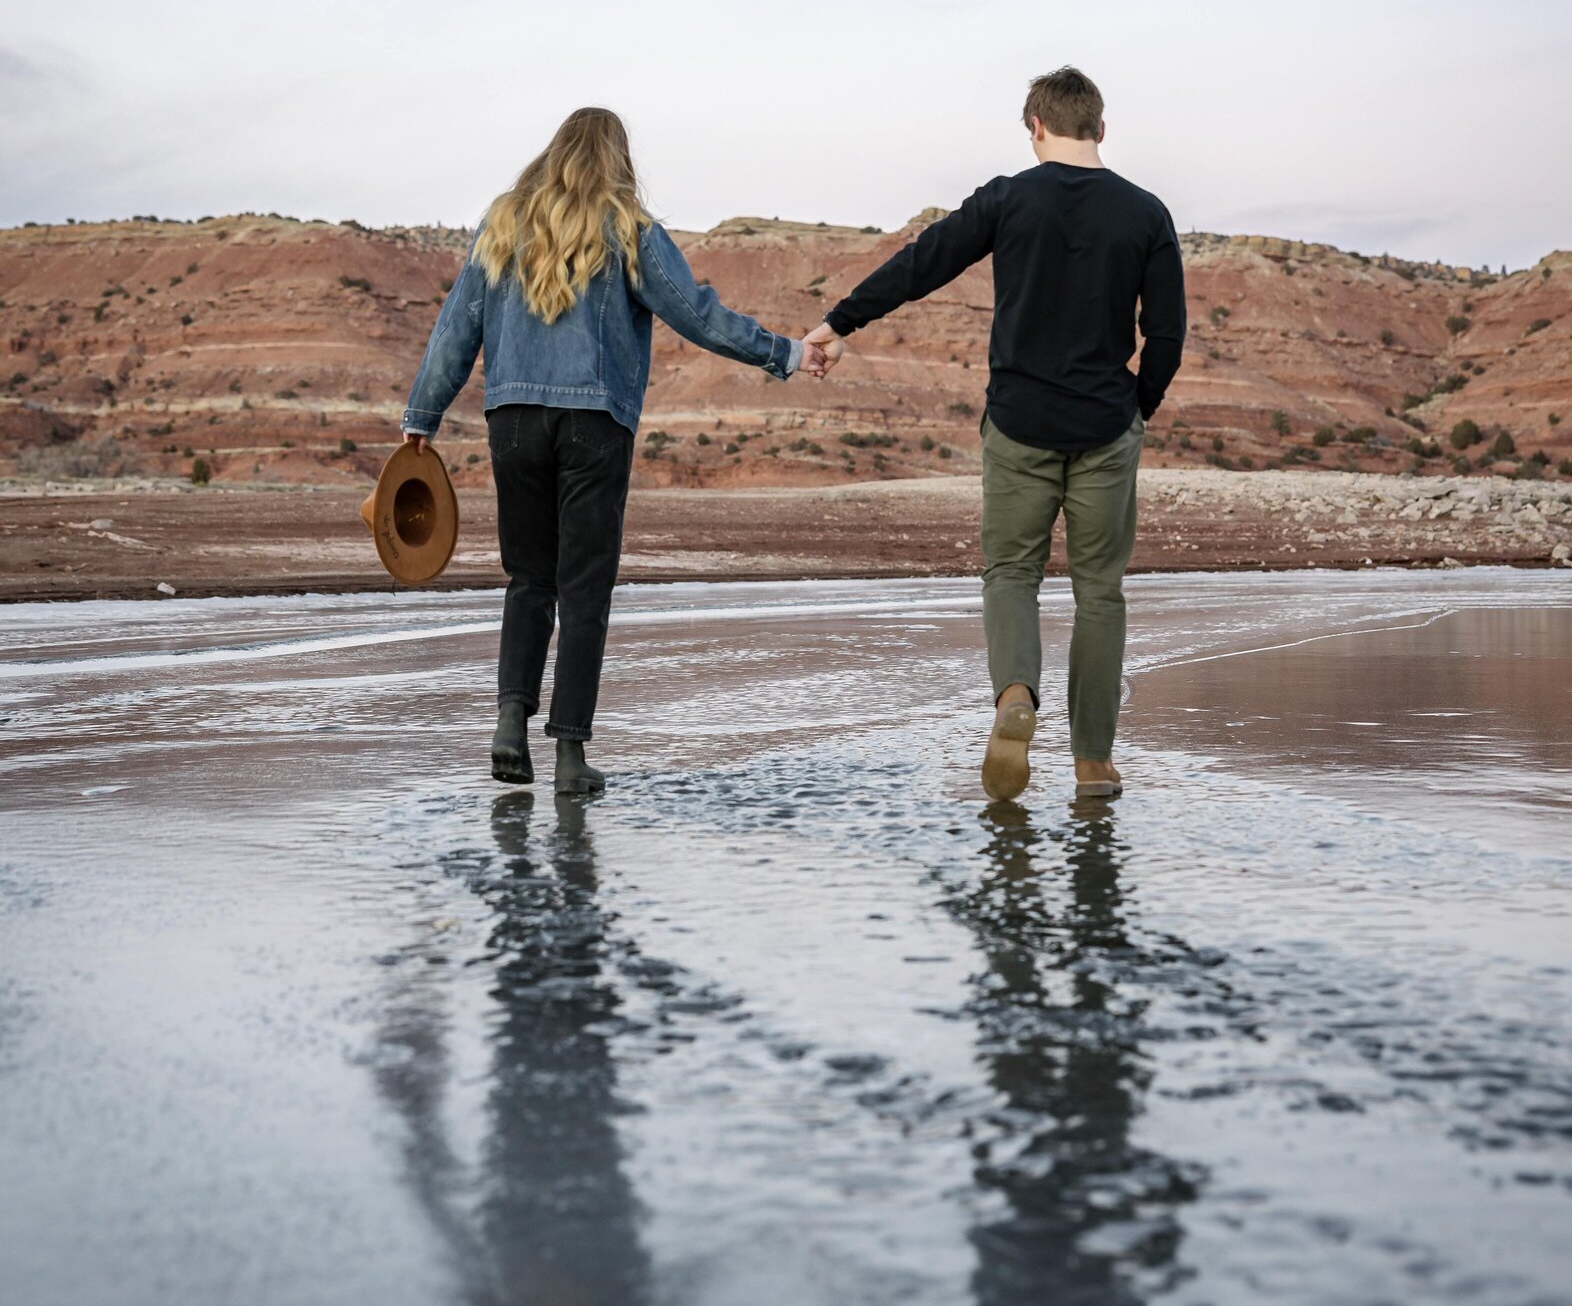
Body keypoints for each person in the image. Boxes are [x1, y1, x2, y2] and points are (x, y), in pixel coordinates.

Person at [401, 106, 826, 795]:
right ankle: (570, 758)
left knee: (528, 579)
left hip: (512, 420)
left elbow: (457, 327)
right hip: (593, 424)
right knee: (584, 589)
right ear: (617, 158)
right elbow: (697, 313)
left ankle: (510, 722)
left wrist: (423, 414)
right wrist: (787, 352)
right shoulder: (629, 227)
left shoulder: (504, 220)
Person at [804, 65, 1185, 804]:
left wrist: (840, 321)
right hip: (1106, 424)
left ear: (1034, 128)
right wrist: (1137, 406)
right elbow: (1165, 332)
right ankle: (1093, 762)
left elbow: (925, 262)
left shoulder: (1009, 196)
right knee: (1099, 591)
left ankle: (1016, 697)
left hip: (1018, 423)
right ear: (1100, 129)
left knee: (1011, 573)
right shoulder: (1146, 213)